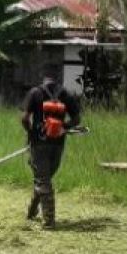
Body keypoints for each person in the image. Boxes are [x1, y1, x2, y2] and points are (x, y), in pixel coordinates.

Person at [20, 64, 81, 228]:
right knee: (44, 178)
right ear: (58, 78)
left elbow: (25, 118)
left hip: (39, 143)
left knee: (43, 180)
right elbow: (77, 119)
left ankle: (49, 222)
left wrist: (31, 133)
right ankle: (32, 212)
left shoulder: (35, 93)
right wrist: (64, 128)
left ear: (44, 78)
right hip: (58, 144)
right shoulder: (65, 94)